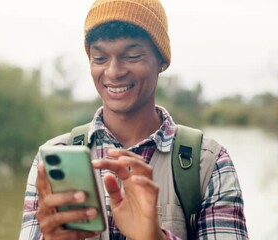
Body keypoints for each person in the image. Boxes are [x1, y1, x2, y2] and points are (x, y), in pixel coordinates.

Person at [19, 0, 248, 239]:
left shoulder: (208, 163)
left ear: (161, 61)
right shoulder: (52, 159)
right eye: (99, 58)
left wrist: (154, 237)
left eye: (132, 56)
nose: (113, 72)